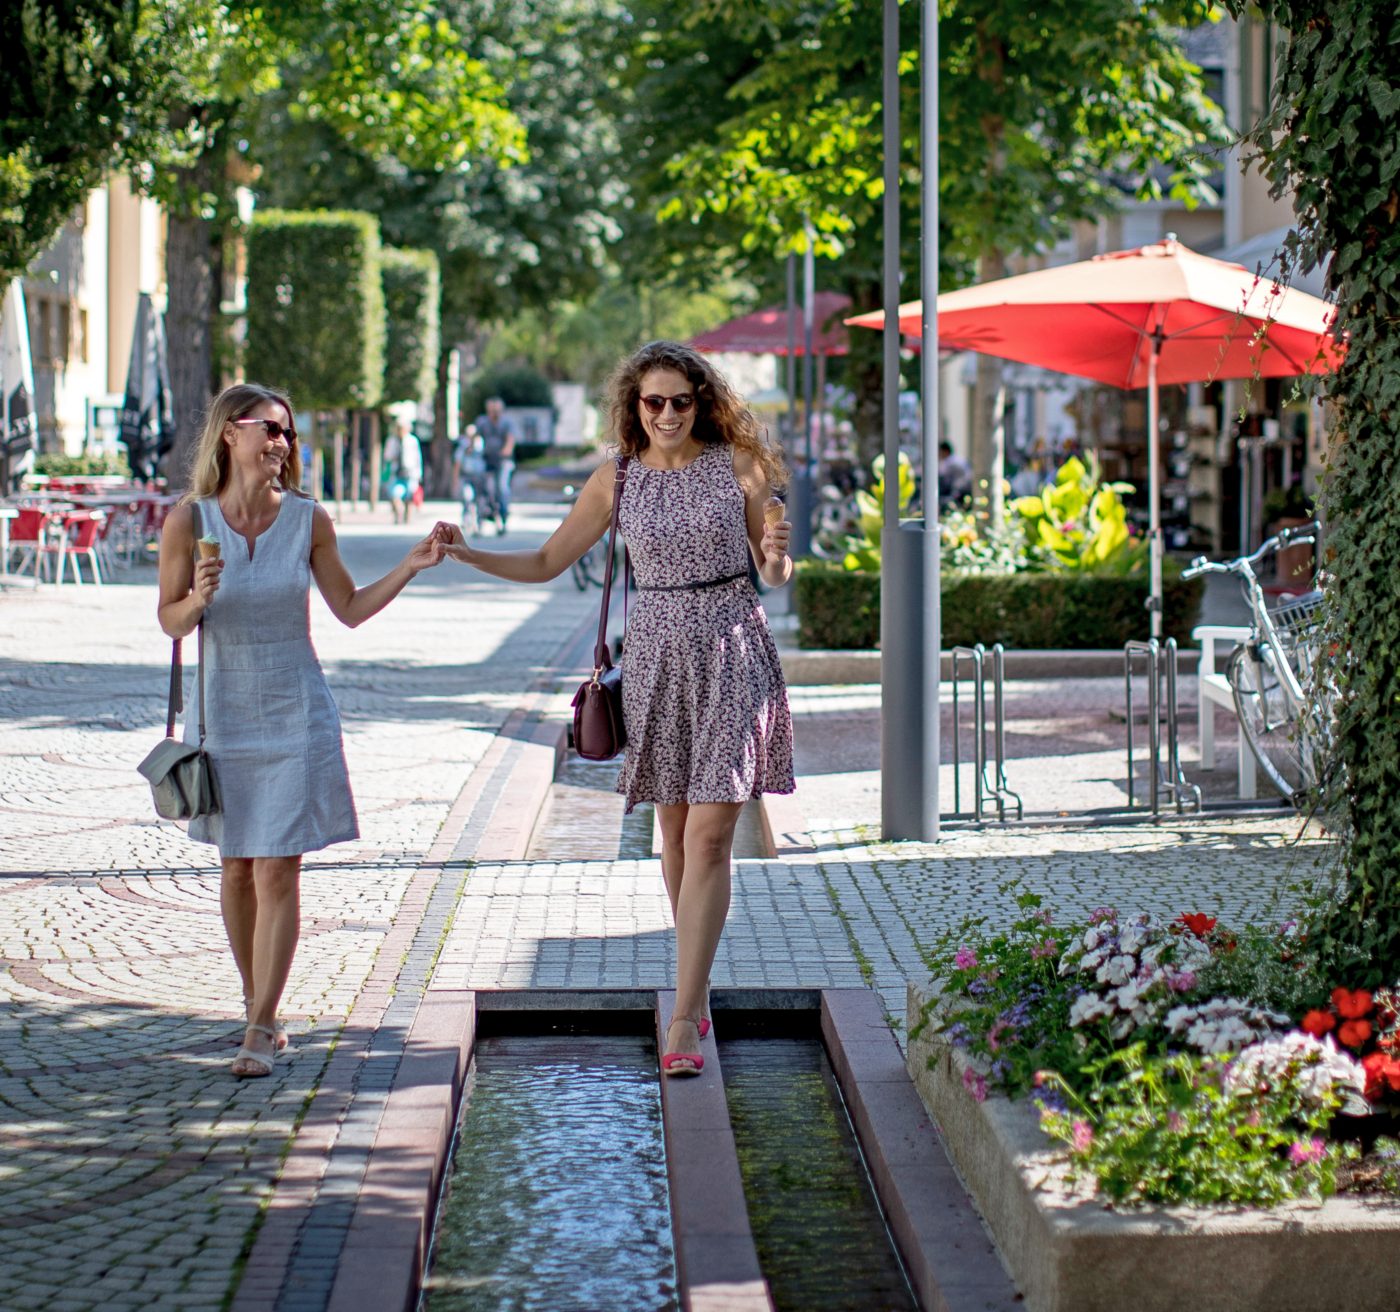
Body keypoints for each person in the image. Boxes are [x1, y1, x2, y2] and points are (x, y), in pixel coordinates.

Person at [433, 341, 795, 1077]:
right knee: (672, 836)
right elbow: (544, 560)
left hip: (729, 647)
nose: (666, 414)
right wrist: (470, 555)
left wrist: (777, 554)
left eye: (680, 401)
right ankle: (693, 971)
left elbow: (775, 572)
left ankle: (687, 1013)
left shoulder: (739, 468)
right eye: (652, 402)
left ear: (703, 402)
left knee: (711, 836)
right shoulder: (616, 479)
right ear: (634, 407)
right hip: (656, 657)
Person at [157, 383, 445, 1078]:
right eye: (270, 429)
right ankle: (260, 1004)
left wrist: (409, 564)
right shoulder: (189, 520)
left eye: (288, 433)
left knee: (278, 868)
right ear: (231, 433)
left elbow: (346, 607)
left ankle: (259, 1024)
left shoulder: (309, 521)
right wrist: (198, 595)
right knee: (235, 869)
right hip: (221, 714)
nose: (282, 443)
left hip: (295, 712)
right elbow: (168, 621)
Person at [474, 396, 517, 532]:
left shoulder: (506, 423)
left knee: (502, 488)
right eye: (492, 410)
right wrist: (472, 447)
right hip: (487, 459)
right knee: (482, 487)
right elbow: (475, 436)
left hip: (503, 461)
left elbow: (510, 440)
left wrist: (505, 450)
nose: (494, 413)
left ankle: (503, 516)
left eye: (496, 410)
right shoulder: (482, 422)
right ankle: (481, 516)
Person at [383, 416, 423, 525]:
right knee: (395, 495)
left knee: (409, 496)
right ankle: (398, 515)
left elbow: (417, 458)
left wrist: (419, 473)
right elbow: (387, 456)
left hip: (410, 472)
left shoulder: (412, 440)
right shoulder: (392, 440)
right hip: (396, 472)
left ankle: (408, 518)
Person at [938, 439, 973, 509]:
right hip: (967, 489)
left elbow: (941, 474)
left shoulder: (950, 462)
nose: (939, 455)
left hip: (959, 491)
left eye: (940, 452)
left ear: (945, 451)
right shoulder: (959, 459)